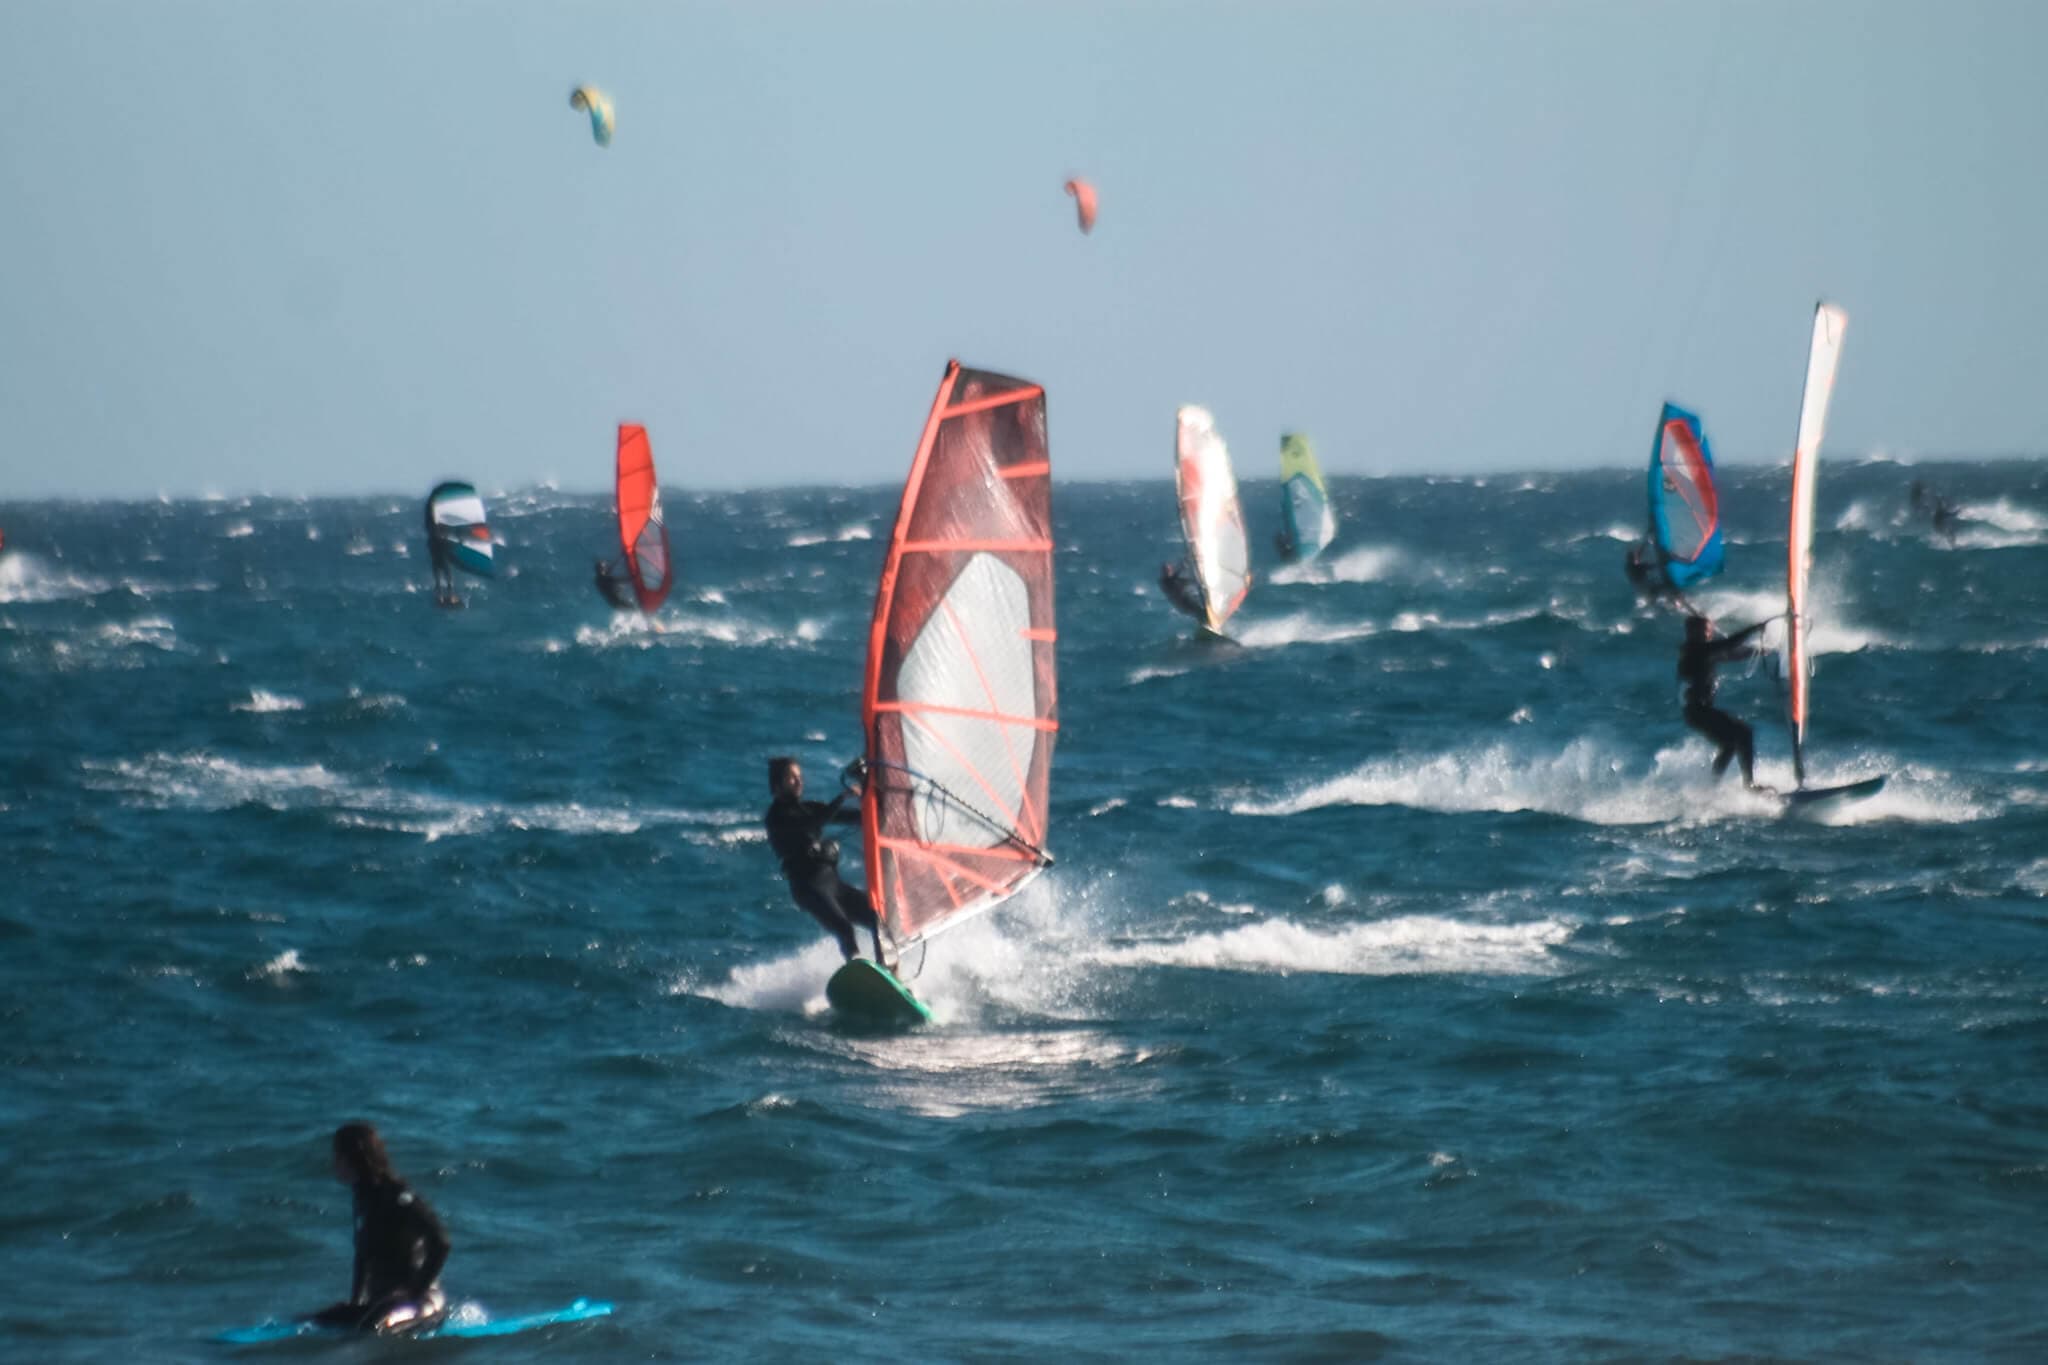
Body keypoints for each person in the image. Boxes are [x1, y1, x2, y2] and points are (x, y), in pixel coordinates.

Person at [306, 1122, 451, 1335]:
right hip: (383, 1302)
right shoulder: (362, 1197)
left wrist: (416, 1291)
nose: (334, 1163)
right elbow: (362, 1256)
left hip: (422, 1301)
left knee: (373, 1327)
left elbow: (441, 1242)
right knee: (313, 1322)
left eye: (338, 1156)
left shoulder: (398, 1196)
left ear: (355, 1158)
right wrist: (356, 1303)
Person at [764, 755, 895, 972]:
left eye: (799, 776)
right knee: (844, 928)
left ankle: (890, 969)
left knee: (877, 919)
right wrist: (843, 797)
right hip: (809, 889)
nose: (799, 782)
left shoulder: (809, 807)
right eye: (791, 778)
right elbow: (814, 822)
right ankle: (856, 972)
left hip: (833, 884)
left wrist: (873, 796)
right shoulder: (776, 817)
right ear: (777, 784)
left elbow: (857, 817)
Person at [1678, 613, 1772, 789]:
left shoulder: (1698, 651)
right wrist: (1755, 628)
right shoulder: (1696, 650)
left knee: (1729, 744)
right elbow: (1728, 644)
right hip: (1698, 711)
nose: (1708, 634)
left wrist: (1757, 651)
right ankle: (1749, 785)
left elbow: (1729, 654)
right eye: (1704, 631)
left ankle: (1711, 787)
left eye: (1709, 631)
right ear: (1692, 632)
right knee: (1744, 733)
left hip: (1695, 713)